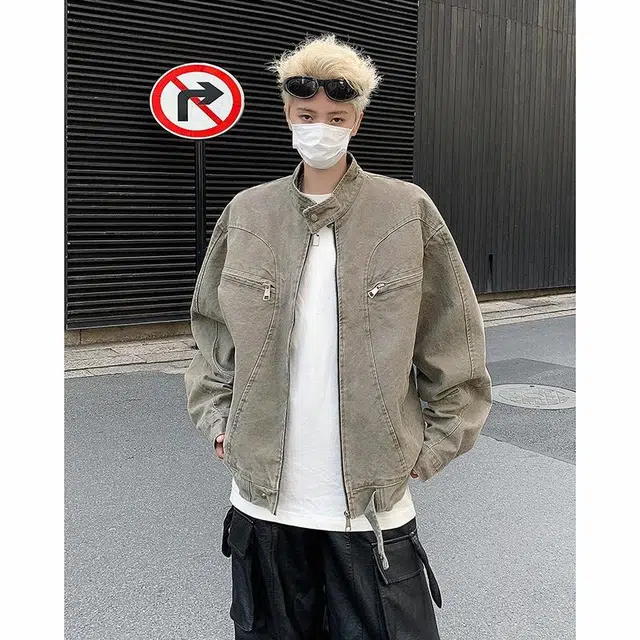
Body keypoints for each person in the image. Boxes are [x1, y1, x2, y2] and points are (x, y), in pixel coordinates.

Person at [185, 33, 492, 639]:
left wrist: (433, 445)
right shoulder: (248, 212)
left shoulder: (405, 210)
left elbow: (451, 337)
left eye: (336, 116)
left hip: (372, 506)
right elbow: (211, 331)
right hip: (262, 497)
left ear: (357, 121)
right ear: (287, 115)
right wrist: (218, 419)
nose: (320, 128)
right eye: (306, 115)